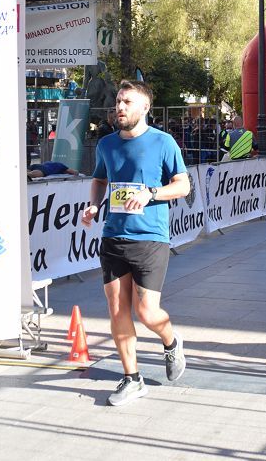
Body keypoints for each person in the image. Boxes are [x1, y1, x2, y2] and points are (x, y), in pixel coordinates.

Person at [81, 79, 190, 406]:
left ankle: (171, 342)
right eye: (118, 101)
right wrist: (94, 205)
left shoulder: (163, 142)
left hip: (150, 238)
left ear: (144, 108)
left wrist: (151, 193)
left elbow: (182, 186)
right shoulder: (107, 145)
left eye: (127, 102)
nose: (120, 107)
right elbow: (100, 179)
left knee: (146, 311)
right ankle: (132, 378)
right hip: (113, 235)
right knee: (117, 309)